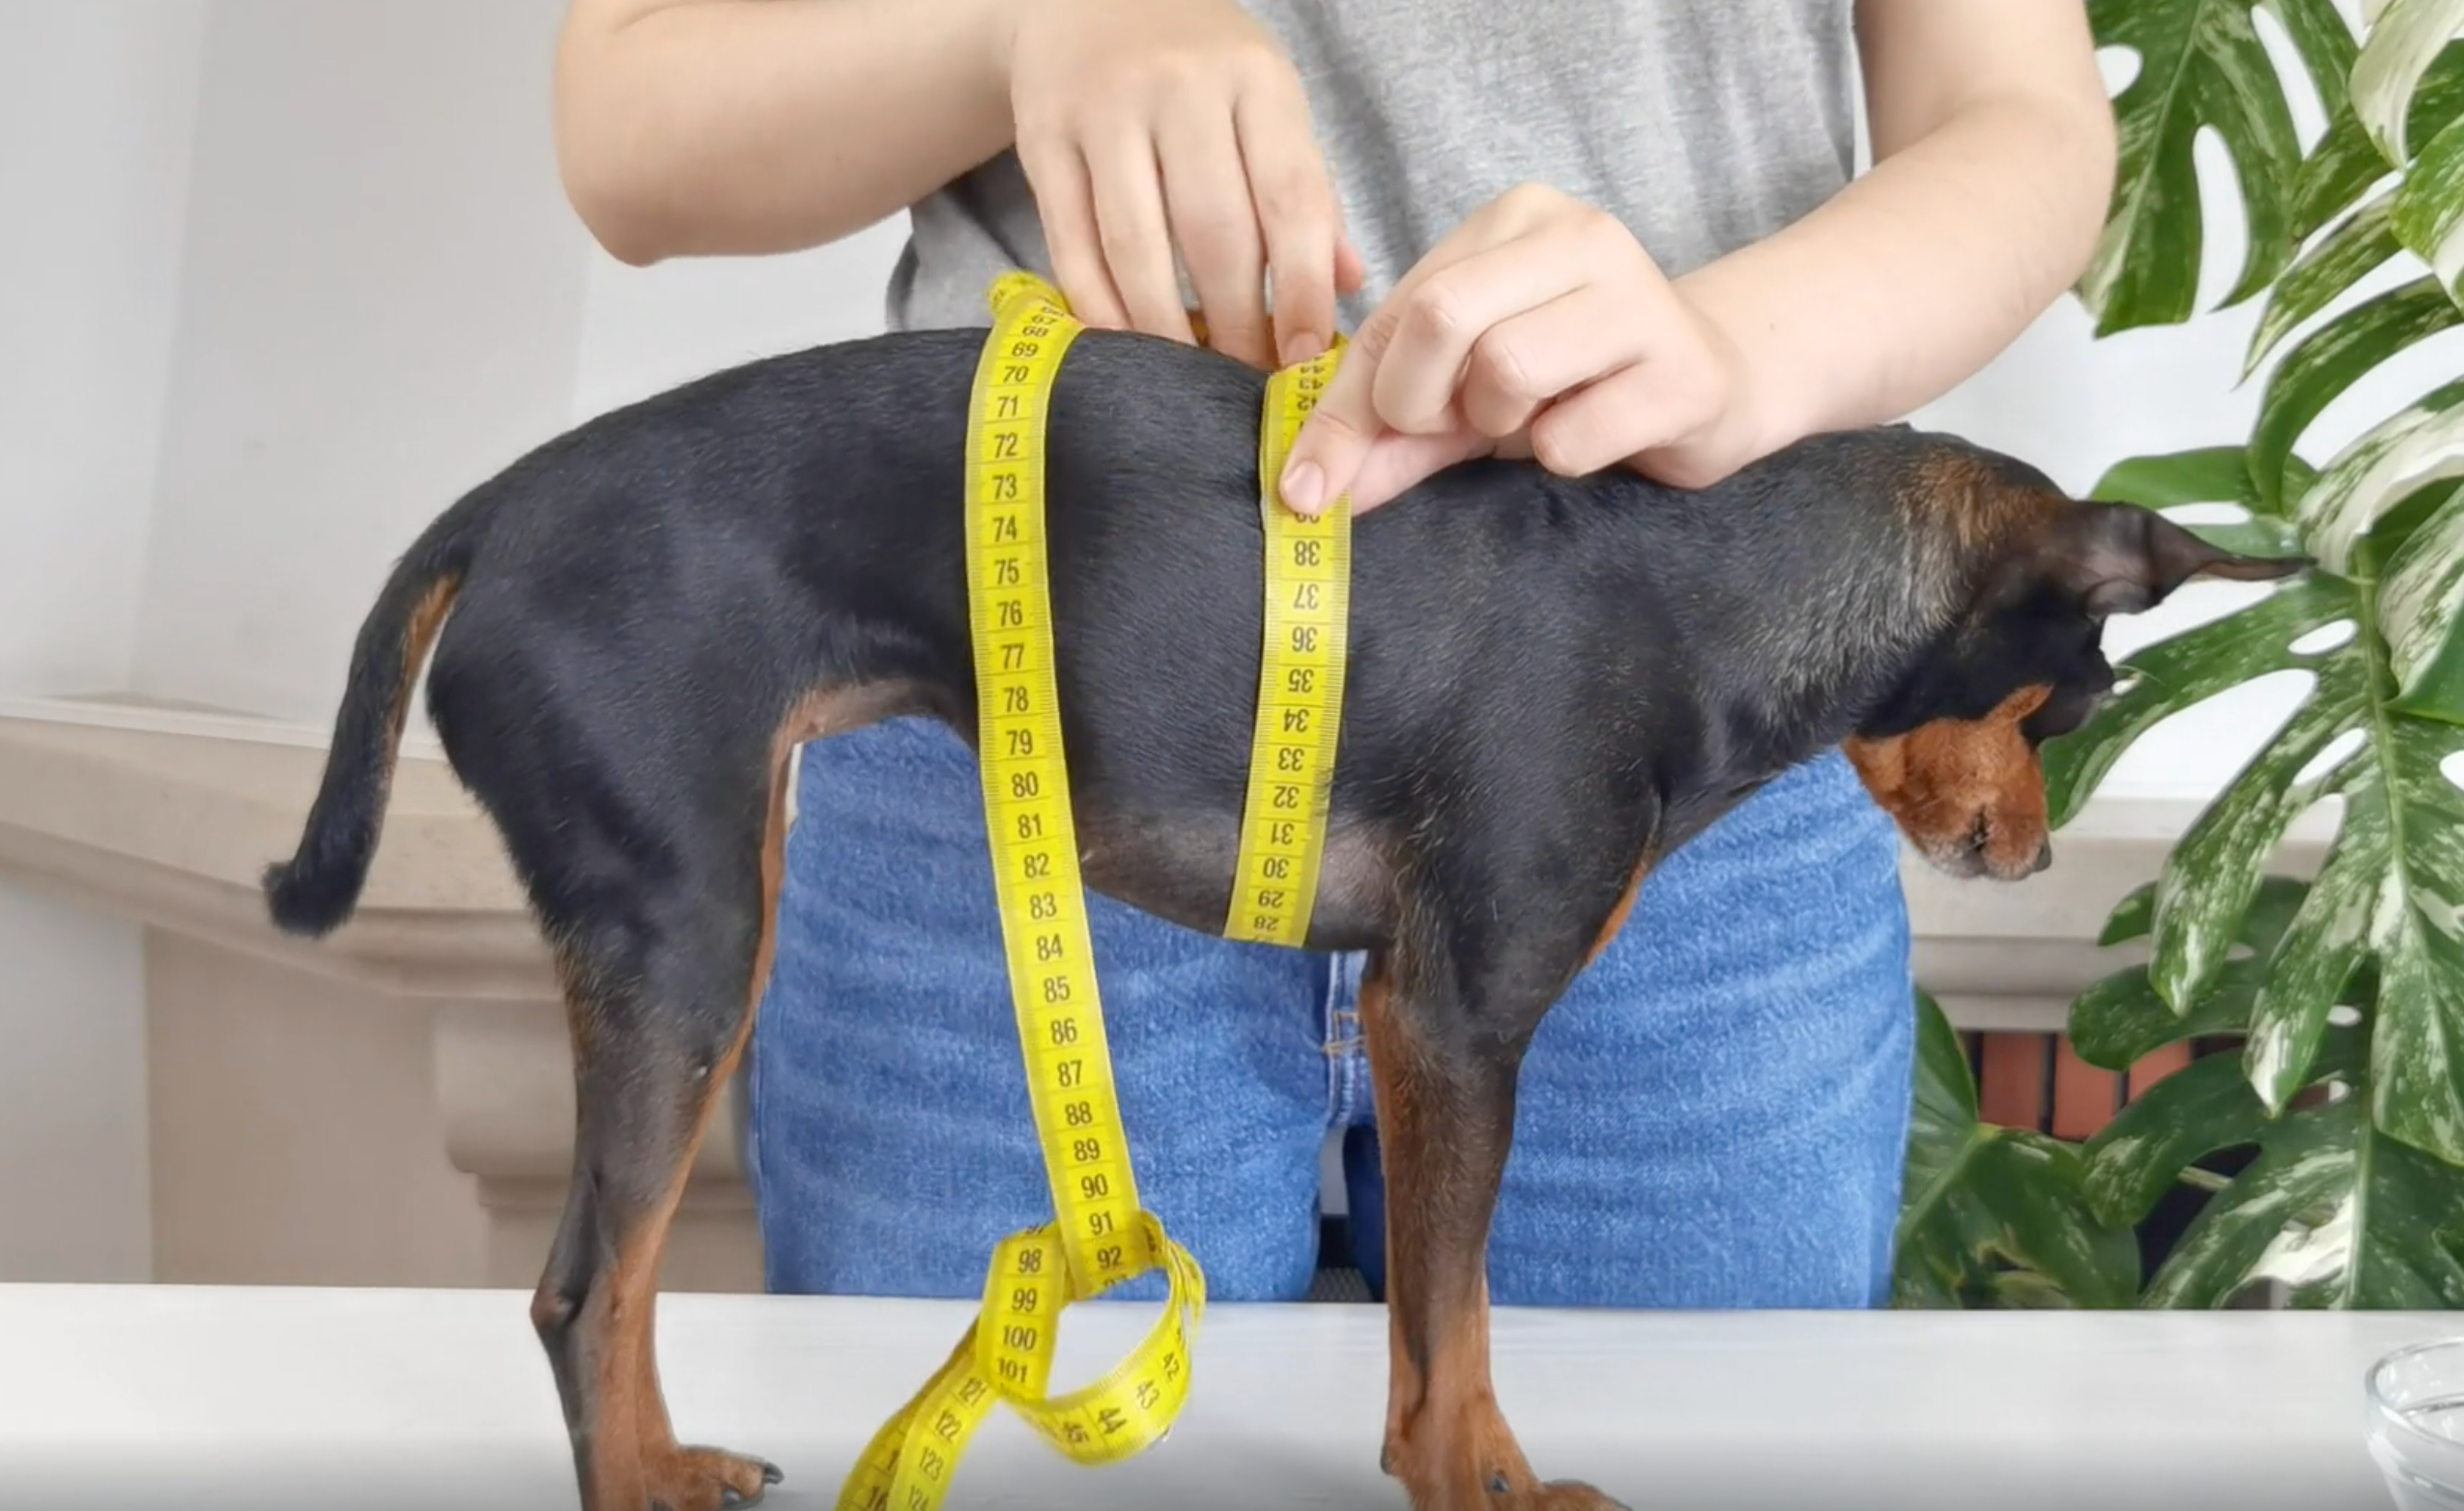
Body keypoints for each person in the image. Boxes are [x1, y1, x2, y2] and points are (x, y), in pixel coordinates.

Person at [549, 0, 2114, 1310]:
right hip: (1020, 747)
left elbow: (2015, 112)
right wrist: (1018, 23)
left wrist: (1736, 349)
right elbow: (630, 131)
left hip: (1694, 800)